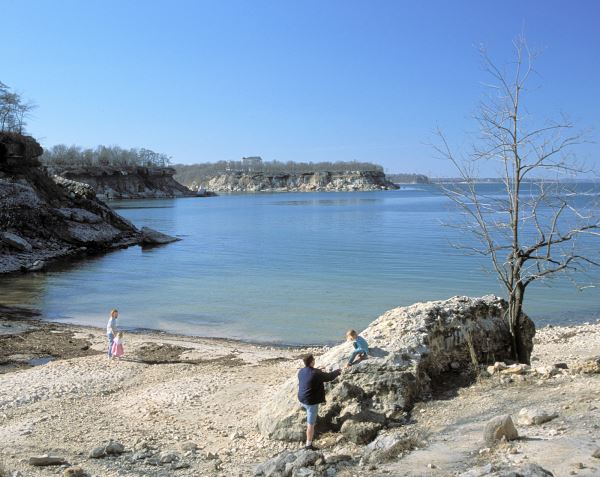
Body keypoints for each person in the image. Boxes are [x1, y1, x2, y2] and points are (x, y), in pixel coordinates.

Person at [297, 354, 341, 450]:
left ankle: (307, 412)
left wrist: (318, 370)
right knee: (310, 425)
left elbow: (311, 374)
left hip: (301, 399)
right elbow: (329, 377)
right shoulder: (316, 373)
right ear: (312, 361)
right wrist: (338, 371)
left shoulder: (301, 371)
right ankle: (308, 445)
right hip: (311, 402)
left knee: (308, 409)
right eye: (314, 360)